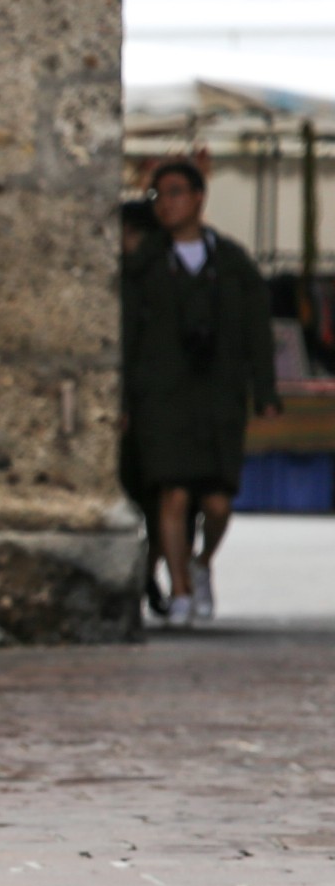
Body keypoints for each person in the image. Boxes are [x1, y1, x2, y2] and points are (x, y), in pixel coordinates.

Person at [121, 159, 279, 627]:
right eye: (158, 196)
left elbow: (257, 332)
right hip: (163, 396)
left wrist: (265, 390)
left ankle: (201, 560)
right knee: (170, 492)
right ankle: (181, 590)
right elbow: (128, 333)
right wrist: (125, 399)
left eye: (173, 193)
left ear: (197, 197)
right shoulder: (145, 265)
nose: (165, 205)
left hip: (217, 396)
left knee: (216, 502)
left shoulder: (232, 263)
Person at [115, 197, 172, 618]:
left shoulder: (145, 281)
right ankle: (149, 577)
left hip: (149, 407)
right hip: (140, 406)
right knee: (147, 499)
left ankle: (150, 577)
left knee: (149, 497)